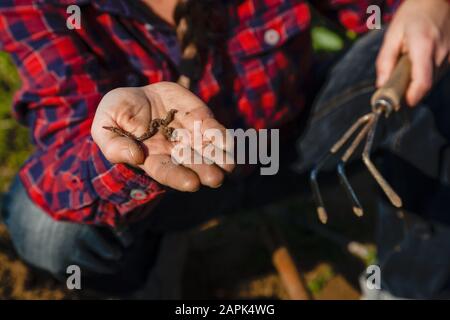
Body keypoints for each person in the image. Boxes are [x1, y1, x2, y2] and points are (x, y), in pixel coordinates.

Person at [0, 0, 449, 298]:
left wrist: (430, 6)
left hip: (286, 142)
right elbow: (64, 148)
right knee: (45, 226)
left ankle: (410, 284)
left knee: (436, 55)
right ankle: (144, 271)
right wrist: (121, 151)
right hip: (163, 183)